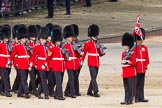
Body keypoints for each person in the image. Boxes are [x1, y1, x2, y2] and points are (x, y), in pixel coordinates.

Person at [8, 24, 31, 99]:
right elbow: (12, 55)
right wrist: (9, 62)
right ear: (20, 39)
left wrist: (30, 64)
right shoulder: (17, 46)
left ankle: (20, 93)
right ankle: (26, 92)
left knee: (23, 79)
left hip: (26, 65)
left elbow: (29, 56)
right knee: (24, 79)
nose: (25, 39)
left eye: (25, 38)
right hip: (21, 65)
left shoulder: (27, 46)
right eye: (23, 38)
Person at [81, 24, 105, 97]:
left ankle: (89, 91)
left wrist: (102, 52)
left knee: (94, 77)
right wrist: (81, 61)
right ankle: (95, 91)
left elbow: (99, 53)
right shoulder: (87, 43)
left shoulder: (97, 42)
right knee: (93, 77)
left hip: (97, 61)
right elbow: (84, 53)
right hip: (91, 61)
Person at [29, 27, 49, 99]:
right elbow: (33, 56)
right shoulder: (37, 47)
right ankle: (46, 94)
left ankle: (38, 93)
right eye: (43, 39)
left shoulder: (47, 47)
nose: (44, 40)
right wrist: (31, 64)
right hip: (40, 65)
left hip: (46, 65)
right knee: (43, 80)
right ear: (40, 39)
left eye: (45, 39)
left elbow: (48, 56)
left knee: (43, 80)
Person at [48, 25, 65, 100]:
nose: (59, 42)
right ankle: (60, 95)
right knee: (58, 81)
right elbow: (48, 58)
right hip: (56, 66)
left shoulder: (61, 49)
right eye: (58, 41)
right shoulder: (52, 49)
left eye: (59, 41)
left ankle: (56, 94)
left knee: (60, 81)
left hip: (61, 67)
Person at [133, 28, 150, 103]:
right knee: (136, 83)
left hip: (142, 68)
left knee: (141, 83)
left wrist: (146, 66)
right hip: (137, 68)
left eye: (141, 40)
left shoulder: (145, 48)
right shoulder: (134, 48)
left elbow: (146, 58)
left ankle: (141, 97)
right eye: (138, 40)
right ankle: (136, 97)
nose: (140, 41)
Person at [120, 33, 136, 105]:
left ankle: (130, 99)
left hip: (130, 72)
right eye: (124, 45)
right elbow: (122, 62)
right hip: (125, 72)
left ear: (129, 45)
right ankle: (126, 99)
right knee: (126, 87)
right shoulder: (123, 53)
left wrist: (129, 61)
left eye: (125, 45)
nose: (124, 46)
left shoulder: (132, 53)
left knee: (130, 87)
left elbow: (134, 62)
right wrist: (123, 62)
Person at [63, 25, 78, 98]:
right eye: (69, 37)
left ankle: (66, 91)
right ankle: (72, 93)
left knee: (73, 78)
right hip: (68, 64)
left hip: (74, 63)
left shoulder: (73, 45)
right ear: (66, 38)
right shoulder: (64, 46)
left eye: (71, 37)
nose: (71, 38)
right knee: (71, 78)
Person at [0, 25, 12, 97]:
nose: (7, 39)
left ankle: (1, 89)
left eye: (7, 37)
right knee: (5, 77)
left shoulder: (9, 45)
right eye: (5, 37)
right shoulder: (1, 44)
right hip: (2, 63)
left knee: (6, 76)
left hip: (8, 63)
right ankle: (7, 91)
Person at [27, 25, 39, 96]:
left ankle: (30, 88)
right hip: (31, 63)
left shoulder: (37, 44)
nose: (33, 37)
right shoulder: (28, 44)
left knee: (40, 76)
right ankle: (34, 90)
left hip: (37, 63)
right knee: (32, 77)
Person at [71, 24, 83, 96]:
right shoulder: (69, 43)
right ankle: (71, 91)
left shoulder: (78, 43)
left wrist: (81, 61)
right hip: (72, 62)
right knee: (72, 77)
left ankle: (76, 90)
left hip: (78, 62)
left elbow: (81, 53)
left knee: (76, 77)